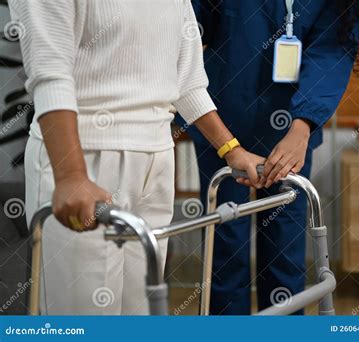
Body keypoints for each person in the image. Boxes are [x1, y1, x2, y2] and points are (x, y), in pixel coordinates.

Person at [10, 0, 266, 315]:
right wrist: (71, 176)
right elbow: (50, 75)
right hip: (84, 156)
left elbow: (186, 83)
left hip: (156, 156)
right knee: (85, 315)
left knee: (141, 311)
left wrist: (232, 149)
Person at [178, 0, 359, 314]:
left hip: (291, 135)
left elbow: (330, 51)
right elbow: (183, 29)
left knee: (284, 253)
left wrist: (302, 128)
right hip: (223, 128)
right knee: (226, 253)